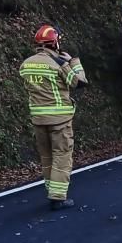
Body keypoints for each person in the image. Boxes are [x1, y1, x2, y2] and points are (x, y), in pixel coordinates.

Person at [19, 24, 88, 210]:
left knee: (46, 156)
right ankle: (58, 197)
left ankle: (51, 190)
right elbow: (79, 82)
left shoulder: (26, 65)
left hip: (38, 120)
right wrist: (72, 62)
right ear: (54, 42)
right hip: (60, 120)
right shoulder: (58, 63)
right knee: (62, 156)